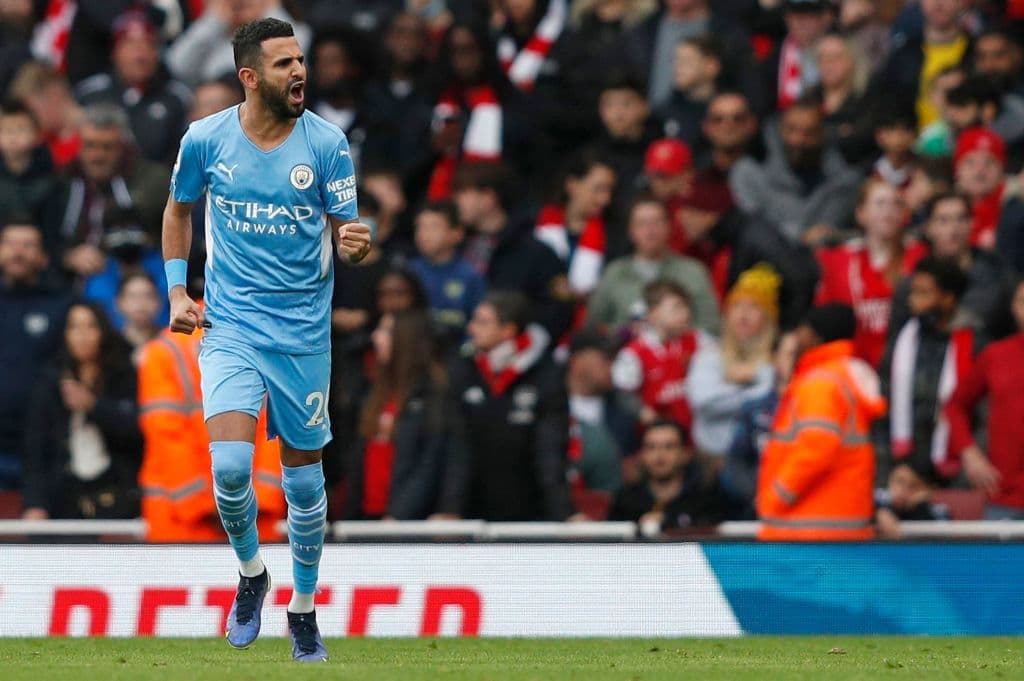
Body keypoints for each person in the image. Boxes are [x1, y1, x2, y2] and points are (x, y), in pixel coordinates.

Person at [162, 18, 372, 661]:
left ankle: (303, 610)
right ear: (250, 77)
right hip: (230, 327)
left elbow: (347, 230)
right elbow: (177, 210)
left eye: (301, 59)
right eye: (284, 64)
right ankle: (253, 573)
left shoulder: (328, 143)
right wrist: (177, 290)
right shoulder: (205, 138)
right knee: (229, 468)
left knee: (303, 483)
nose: (299, 71)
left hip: (304, 336)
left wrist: (355, 244)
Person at [138, 282, 285, 543]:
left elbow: (166, 433)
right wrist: (259, 499)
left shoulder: (164, 350)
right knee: (255, 582)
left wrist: (201, 505)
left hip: (179, 518)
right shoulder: (267, 342)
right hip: (253, 517)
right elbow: (277, 427)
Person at [437, 291, 576, 522]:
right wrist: (450, 508)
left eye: (482, 322)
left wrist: (565, 515)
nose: (471, 328)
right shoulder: (462, 369)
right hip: (472, 514)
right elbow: (457, 447)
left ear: (508, 330)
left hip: (531, 515)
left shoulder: (545, 375)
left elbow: (550, 454)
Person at [756, 303, 886, 541]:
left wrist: (777, 495)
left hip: (808, 529)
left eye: (802, 329)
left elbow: (817, 447)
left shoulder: (820, 384)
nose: (797, 337)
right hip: (836, 524)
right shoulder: (841, 377)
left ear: (816, 335)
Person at [22, 302, 142, 520]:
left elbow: (138, 431)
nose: (82, 335)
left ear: (103, 331)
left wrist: (93, 406)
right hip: (64, 498)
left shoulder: (123, 375)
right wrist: (35, 503)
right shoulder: (50, 381)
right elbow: (36, 450)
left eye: (90, 326)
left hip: (118, 496)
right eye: (74, 327)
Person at [343, 310, 466, 520]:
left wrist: (399, 515)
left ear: (408, 340)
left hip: (408, 523)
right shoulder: (373, 394)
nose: (376, 337)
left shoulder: (435, 395)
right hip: (365, 519)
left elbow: (434, 464)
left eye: (387, 331)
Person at [879, 257, 974, 483]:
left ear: (948, 299)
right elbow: (882, 409)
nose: (913, 302)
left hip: (956, 473)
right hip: (902, 471)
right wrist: (890, 475)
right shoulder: (901, 342)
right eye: (913, 293)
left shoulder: (975, 344)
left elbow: (982, 419)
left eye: (923, 293)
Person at [815, 179, 927, 367]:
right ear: (861, 214)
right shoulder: (837, 260)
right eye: (880, 203)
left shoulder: (919, 257)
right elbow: (823, 318)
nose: (888, 210)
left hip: (904, 363)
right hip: (851, 364)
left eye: (896, 203)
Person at [58, 104, 170, 282]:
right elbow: (45, 238)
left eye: (107, 147)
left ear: (123, 147)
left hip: (139, 282)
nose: (98, 156)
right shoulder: (62, 182)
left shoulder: (155, 182)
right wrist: (67, 256)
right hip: (67, 281)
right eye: (90, 146)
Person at [944, 279, 1024, 519]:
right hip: (1005, 497)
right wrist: (969, 454)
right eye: (1023, 302)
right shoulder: (995, 355)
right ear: (1014, 308)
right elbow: (955, 405)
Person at [586, 194, 719, 335]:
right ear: (630, 231)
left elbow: (711, 326)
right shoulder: (614, 272)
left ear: (669, 227)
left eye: (657, 222)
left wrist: (676, 335)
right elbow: (593, 328)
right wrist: (624, 333)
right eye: (642, 224)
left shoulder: (692, 271)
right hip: (622, 352)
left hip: (683, 353)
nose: (650, 231)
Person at [73, 8, 193, 163]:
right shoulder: (89, 93)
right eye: (131, 46)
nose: (140, 56)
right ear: (115, 52)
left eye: (149, 45)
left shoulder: (177, 97)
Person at [0, 221, 69, 488]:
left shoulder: (62, 304)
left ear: (43, 257)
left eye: (27, 245)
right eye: (10, 244)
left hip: (44, 445)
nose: (18, 252)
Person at [686, 264, 779, 461]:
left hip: (761, 462)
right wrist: (761, 383)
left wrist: (757, 375)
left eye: (754, 306)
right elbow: (705, 402)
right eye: (736, 306)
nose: (743, 314)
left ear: (769, 317)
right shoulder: (709, 355)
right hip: (712, 460)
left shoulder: (779, 359)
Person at [612, 279, 710, 430]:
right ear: (653, 313)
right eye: (677, 308)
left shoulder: (700, 341)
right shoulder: (634, 353)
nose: (686, 314)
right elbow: (623, 393)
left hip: (696, 434)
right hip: (655, 438)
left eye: (687, 307)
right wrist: (642, 412)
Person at [609, 419, 729, 534]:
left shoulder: (706, 500)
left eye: (669, 446)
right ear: (641, 455)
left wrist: (668, 524)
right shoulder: (626, 501)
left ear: (685, 454)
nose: (660, 455)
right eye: (651, 447)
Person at [534, 150, 616, 298]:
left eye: (609, 191)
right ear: (572, 185)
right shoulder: (535, 224)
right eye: (598, 189)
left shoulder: (613, 235)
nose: (606, 199)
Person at [565, 330, 635, 493]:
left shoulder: (626, 410)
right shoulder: (545, 405)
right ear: (577, 360)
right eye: (606, 358)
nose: (613, 366)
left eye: (615, 359)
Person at [408, 200, 486, 343]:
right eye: (419, 227)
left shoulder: (470, 276)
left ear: (457, 233)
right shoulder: (408, 272)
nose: (424, 234)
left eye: (433, 227)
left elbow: (477, 324)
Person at [875, 461, 950, 539]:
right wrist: (880, 512)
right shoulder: (878, 499)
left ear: (926, 490)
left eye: (913, 486)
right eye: (899, 481)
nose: (902, 491)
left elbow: (941, 539)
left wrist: (919, 507)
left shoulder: (938, 510)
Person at [115, 272, 162, 361]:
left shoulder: (169, 342)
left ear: (158, 302)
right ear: (119, 302)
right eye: (133, 296)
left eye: (147, 296)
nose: (140, 303)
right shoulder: (110, 346)